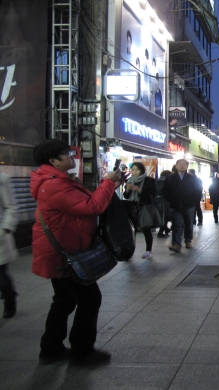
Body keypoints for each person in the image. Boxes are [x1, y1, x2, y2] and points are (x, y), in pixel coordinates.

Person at [30, 139, 120, 365]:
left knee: (64, 300)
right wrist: (107, 184)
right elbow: (91, 207)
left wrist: (110, 186)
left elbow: (86, 202)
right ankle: (82, 351)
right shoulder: (53, 185)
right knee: (90, 299)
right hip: (62, 254)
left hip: (60, 250)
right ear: (53, 161)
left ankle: (50, 348)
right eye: (66, 154)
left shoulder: (59, 180)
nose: (71, 156)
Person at [163, 159, 200, 252]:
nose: (182, 166)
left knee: (188, 223)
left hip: (189, 205)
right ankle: (176, 244)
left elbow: (198, 190)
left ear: (187, 166)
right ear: (176, 165)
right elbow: (165, 191)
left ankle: (188, 240)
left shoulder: (192, 178)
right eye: (179, 164)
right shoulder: (170, 178)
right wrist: (170, 200)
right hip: (175, 205)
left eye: (184, 164)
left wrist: (193, 200)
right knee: (176, 225)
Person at [123, 162, 156, 259]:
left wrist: (139, 190)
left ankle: (148, 250)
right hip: (131, 207)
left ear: (141, 170)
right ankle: (129, 251)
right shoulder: (129, 180)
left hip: (143, 207)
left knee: (146, 229)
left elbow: (151, 195)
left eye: (137, 170)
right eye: (133, 170)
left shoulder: (149, 181)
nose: (134, 172)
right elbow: (126, 196)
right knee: (131, 230)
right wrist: (128, 190)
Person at [0, 172, 18, 318]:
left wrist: (4, 229)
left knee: (1, 277)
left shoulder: (2, 179)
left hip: (0, 237)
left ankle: (9, 298)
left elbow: (11, 207)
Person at [156, 170, 172, 237]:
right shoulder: (168, 181)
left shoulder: (157, 181)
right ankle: (161, 231)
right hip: (166, 201)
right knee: (166, 216)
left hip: (158, 201)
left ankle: (165, 229)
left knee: (162, 216)